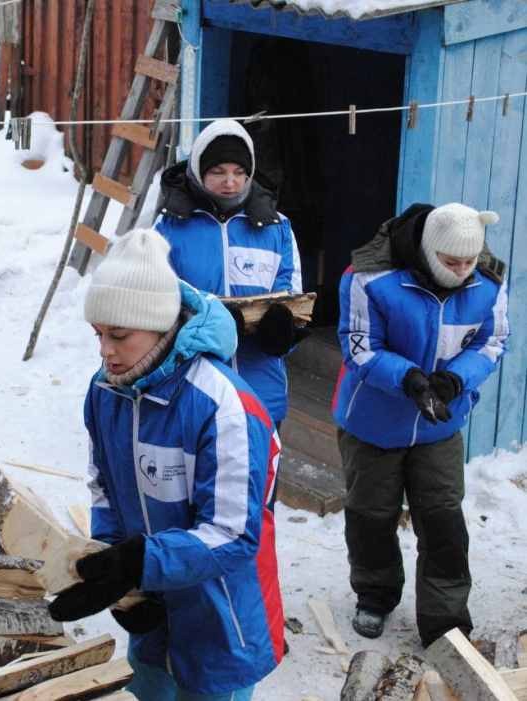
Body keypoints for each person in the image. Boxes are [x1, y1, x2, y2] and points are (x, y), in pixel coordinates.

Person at [48, 228, 284, 700]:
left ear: (159, 326)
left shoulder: (224, 407)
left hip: (222, 624)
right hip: (152, 615)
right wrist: (115, 570)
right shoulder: (106, 391)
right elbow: (105, 487)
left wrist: (136, 564)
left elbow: (232, 534)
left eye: (119, 335)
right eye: (98, 334)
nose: (104, 351)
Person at [332, 202, 509, 647]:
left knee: (443, 522)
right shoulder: (369, 278)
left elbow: (491, 341)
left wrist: (455, 379)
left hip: (440, 425)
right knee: (372, 516)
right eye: (451, 262)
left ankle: (444, 619)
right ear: (429, 252)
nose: (462, 271)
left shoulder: (488, 282)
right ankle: (375, 594)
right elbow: (360, 347)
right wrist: (409, 379)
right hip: (374, 421)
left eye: (469, 261)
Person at [155, 118, 308, 442]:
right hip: (192, 392)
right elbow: (156, 310)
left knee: (260, 476)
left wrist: (283, 335)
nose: (230, 183)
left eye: (240, 172)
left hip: (261, 395)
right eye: (218, 172)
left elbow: (293, 299)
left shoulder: (277, 228)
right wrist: (215, 329)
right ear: (199, 171)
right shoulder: (169, 229)